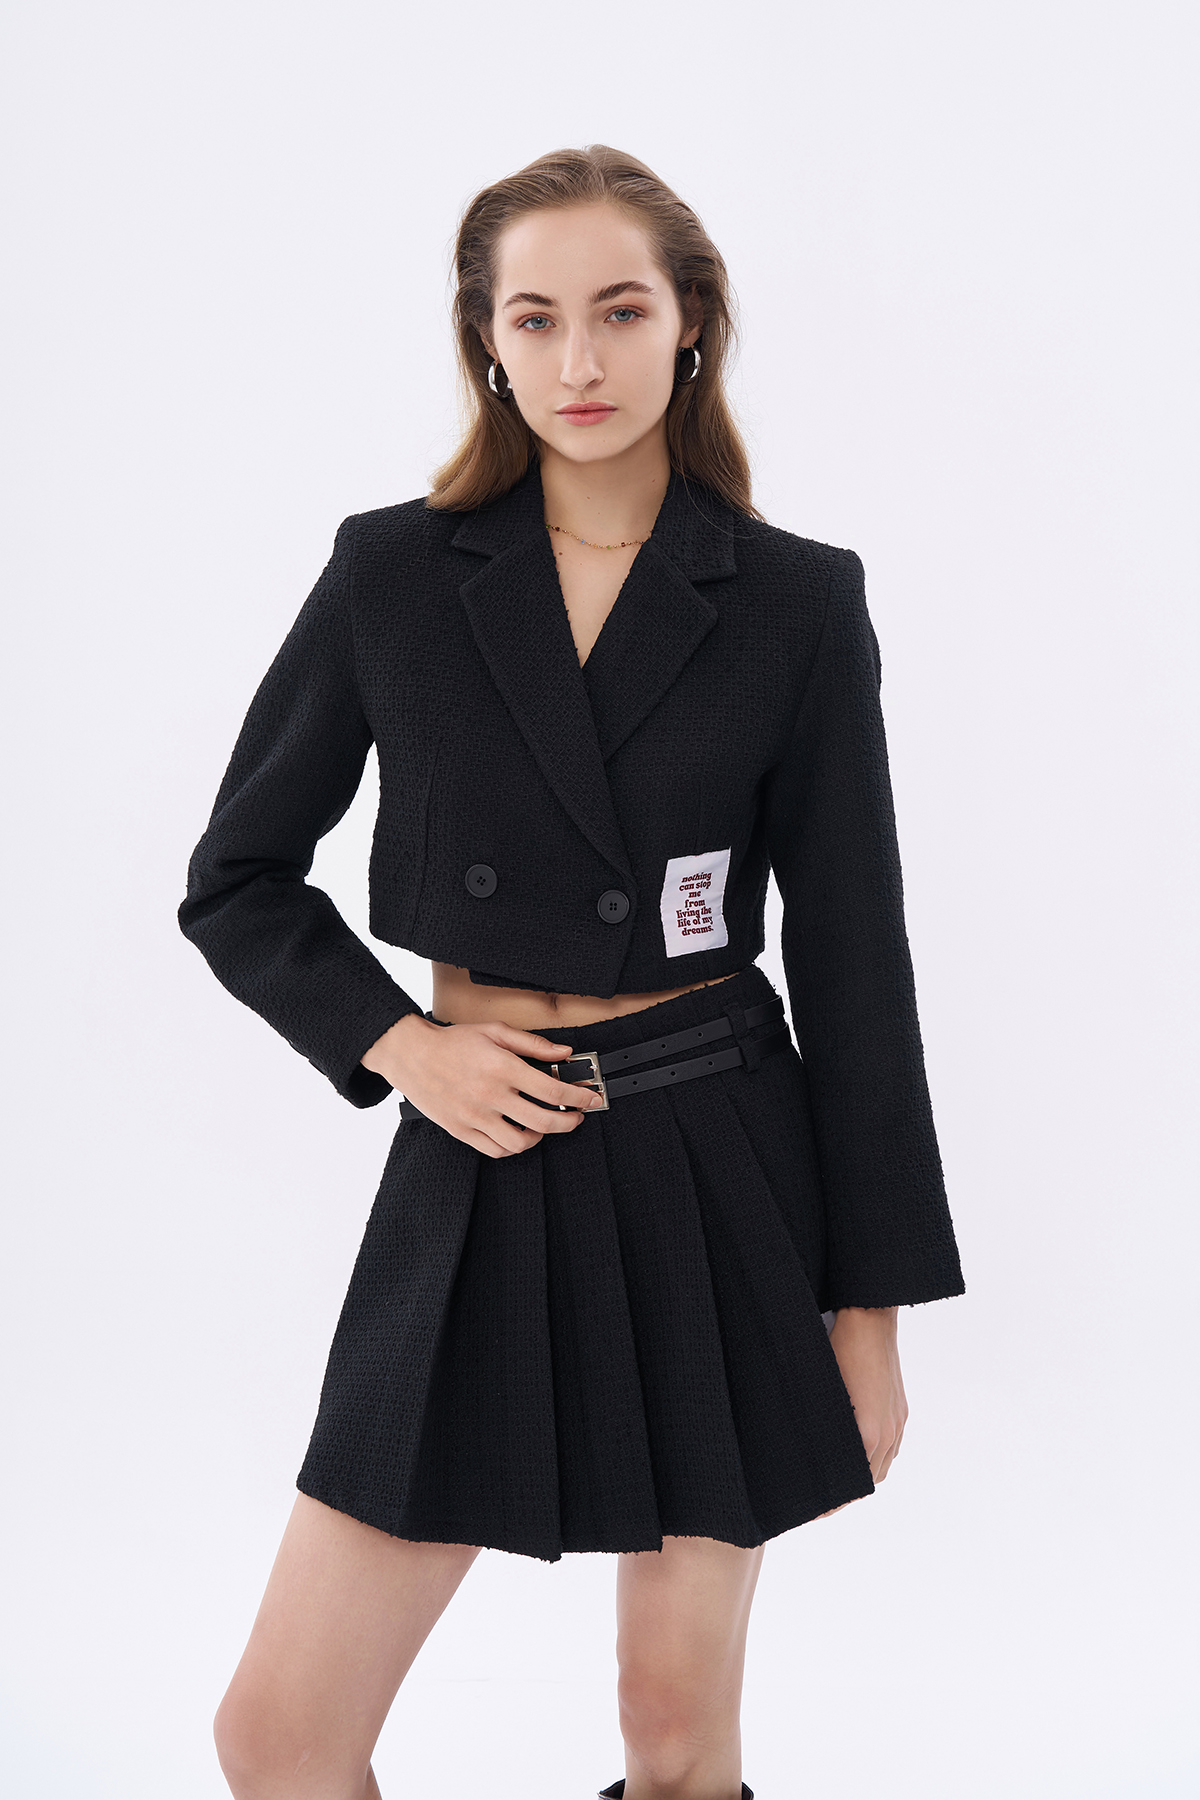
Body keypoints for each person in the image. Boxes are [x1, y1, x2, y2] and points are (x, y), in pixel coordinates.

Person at [178, 144, 965, 1800]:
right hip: (478, 1154)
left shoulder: (797, 602)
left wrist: (872, 1314)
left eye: (621, 310)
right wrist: (404, 1045)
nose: (579, 360)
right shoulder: (393, 574)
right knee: (280, 1734)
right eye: (534, 318)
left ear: (692, 326)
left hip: (716, 1163)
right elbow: (237, 882)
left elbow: (857, 971)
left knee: (675, 1737)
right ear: (486, 340)